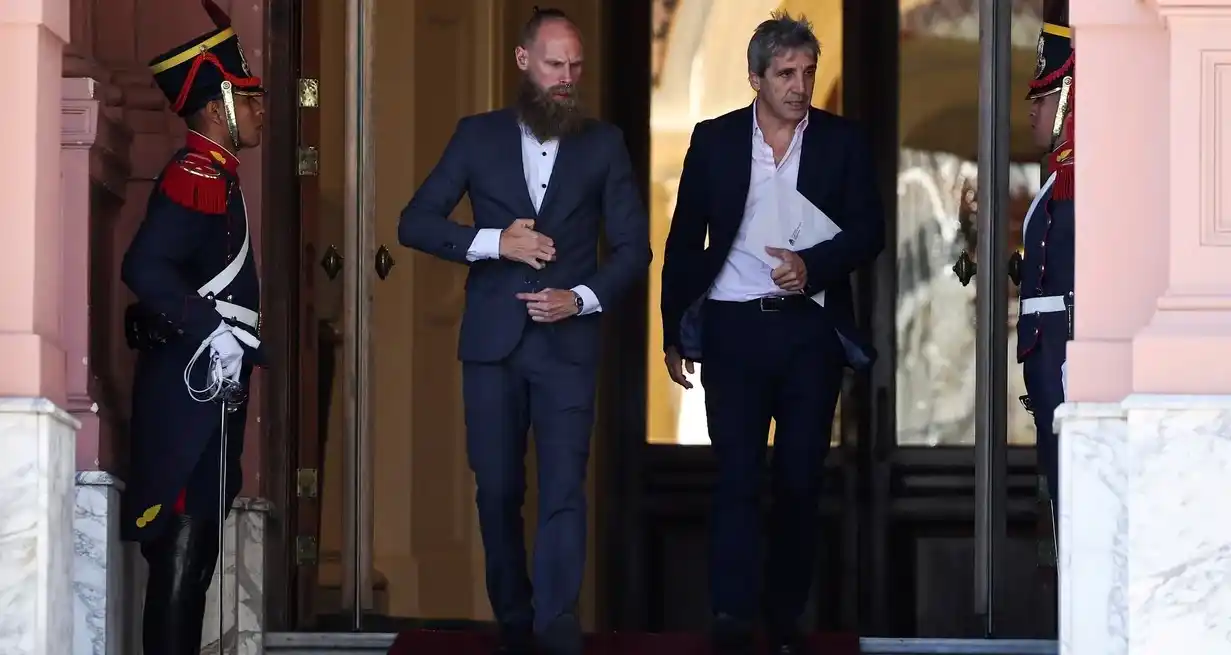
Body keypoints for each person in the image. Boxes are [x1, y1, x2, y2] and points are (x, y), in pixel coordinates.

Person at [397, 7, 650, 655]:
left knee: (564, 485)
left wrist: (581, 297)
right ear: (521, 62)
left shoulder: (604, 143)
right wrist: (493, 242)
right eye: (553, 64)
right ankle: (514, 617)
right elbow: (416, 221)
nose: (566, 78)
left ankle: (556, 627)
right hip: (491, 344)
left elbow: (632, 249)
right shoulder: (475, 137)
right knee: (499, 487)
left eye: (574, 66)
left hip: (567, 344)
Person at [660, 11, 884, 655]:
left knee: (799, 479)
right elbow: (683, 242)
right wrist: (675, 331)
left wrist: (813, 266)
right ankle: (731, 618)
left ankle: (784, 621)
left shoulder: (842, 142)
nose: (799, 85)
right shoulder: (715, 140)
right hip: (733, 328)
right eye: (785, 73)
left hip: (808, 333)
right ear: (756, 77)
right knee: (735, 477)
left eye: (808, 72)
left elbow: (870, 231)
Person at [119, 0, 265, 652]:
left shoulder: (221, 180)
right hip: (186, 396)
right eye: (248, 98)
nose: (259, 111)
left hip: (209, 393)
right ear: (216, 107)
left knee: (198, 552)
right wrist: (213, 327)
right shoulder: (195, 174)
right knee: (180, 551)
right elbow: (144, 265)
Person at [1019, 19, 1075, 543]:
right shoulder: (1059, 178)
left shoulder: (1083, 177)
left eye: (1044, 97)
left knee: (1072, 489)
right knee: (1057, 483)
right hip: (1047, 352)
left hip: (1066, 354)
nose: (1032, 109)